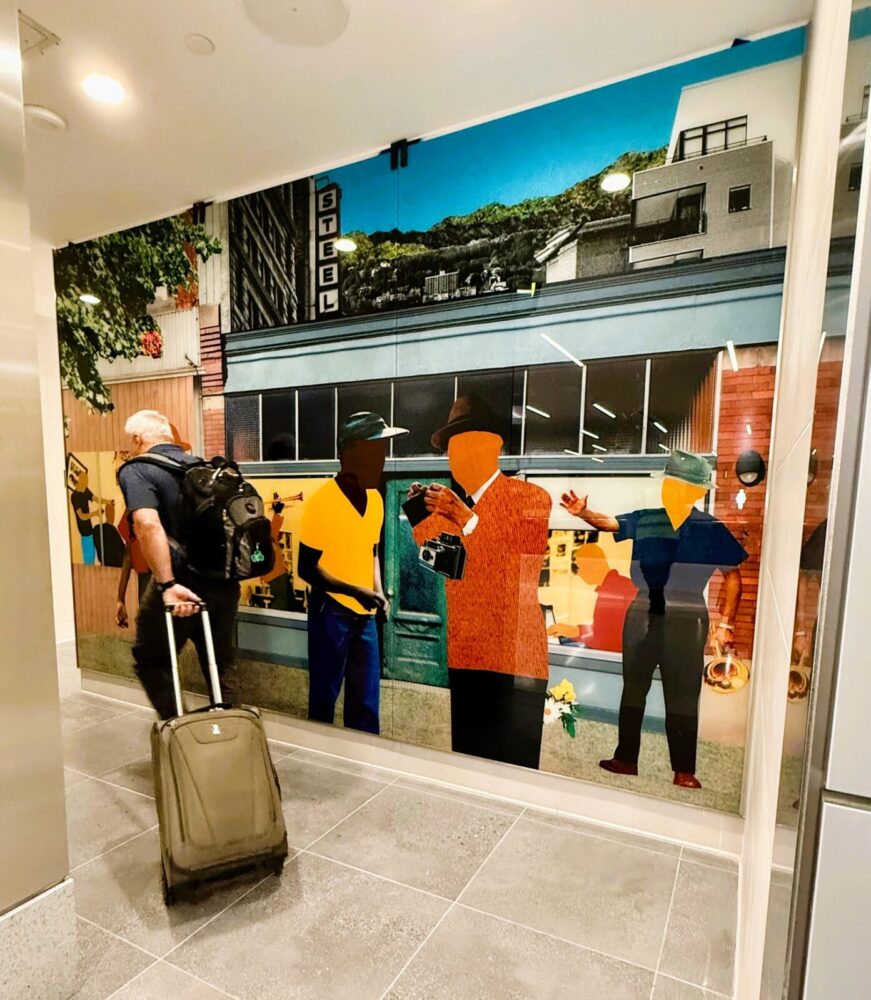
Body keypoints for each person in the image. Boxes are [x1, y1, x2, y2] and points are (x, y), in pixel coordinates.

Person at [561, 450, 747, 789]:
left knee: (684, 693)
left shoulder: (710, 528)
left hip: (687, 614)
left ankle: (684, 769)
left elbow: (733, 577)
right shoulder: (647, 518)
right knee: (633, 687)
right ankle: (626, 758)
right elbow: (610, 523)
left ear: (695, 492)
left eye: (677, 485)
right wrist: (584, 512)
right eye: (667, 484)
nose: (668, 490)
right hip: (642, 610)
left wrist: (726, 625)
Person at [410, 395, 552, 769]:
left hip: (516, 658)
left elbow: (516, 566)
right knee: (469, 763)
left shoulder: (531, 497)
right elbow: (447, 566)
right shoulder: (451, 509)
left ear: (492, 447)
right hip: (467, 653)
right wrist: (419, 516)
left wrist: (465, 518)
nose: (454, 457)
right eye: (451, 450)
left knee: (516, 763)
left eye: (464, 445)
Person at [117, 409, 242, 719]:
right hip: (224, 583)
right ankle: (233, 736)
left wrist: (168, 585)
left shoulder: (137, 469)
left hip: (181, 583)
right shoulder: (203, 467)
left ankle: (179, 732)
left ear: (137, 439)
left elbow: (147, 523)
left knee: (151, 659)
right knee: (220, 662)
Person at [298, 412, 408, 734]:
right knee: (324, 698)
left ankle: (364, 757)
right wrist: (354, 591)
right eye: (375, 452)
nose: (382, 461)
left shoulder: (375, 500)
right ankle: (322, 754)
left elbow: (371, 552)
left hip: (365, 615)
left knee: (366, 706)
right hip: (330, 612)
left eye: (383, 453)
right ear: (350, 455)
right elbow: (307, 568)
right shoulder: (322, 502)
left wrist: (379, 591)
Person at [547, 542, 637, 652]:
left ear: (594, 565)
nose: (579, 573)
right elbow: (604, 629)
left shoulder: (614, 591)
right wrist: (573, 630)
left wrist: (574, 631)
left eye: (580, 567)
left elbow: (605, 640)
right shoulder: (615, 585)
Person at [70, 469, 110, 565]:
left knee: (92, 556)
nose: (86, 484)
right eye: (84, 481)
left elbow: (95, 499)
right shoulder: (75, 496)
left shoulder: (85, 490)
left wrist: (108, 502)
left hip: (89, 529)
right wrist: (95, 513)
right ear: (80, 481)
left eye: (87, 481)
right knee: (89, 560)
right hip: (84, 531)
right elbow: (81, 516)